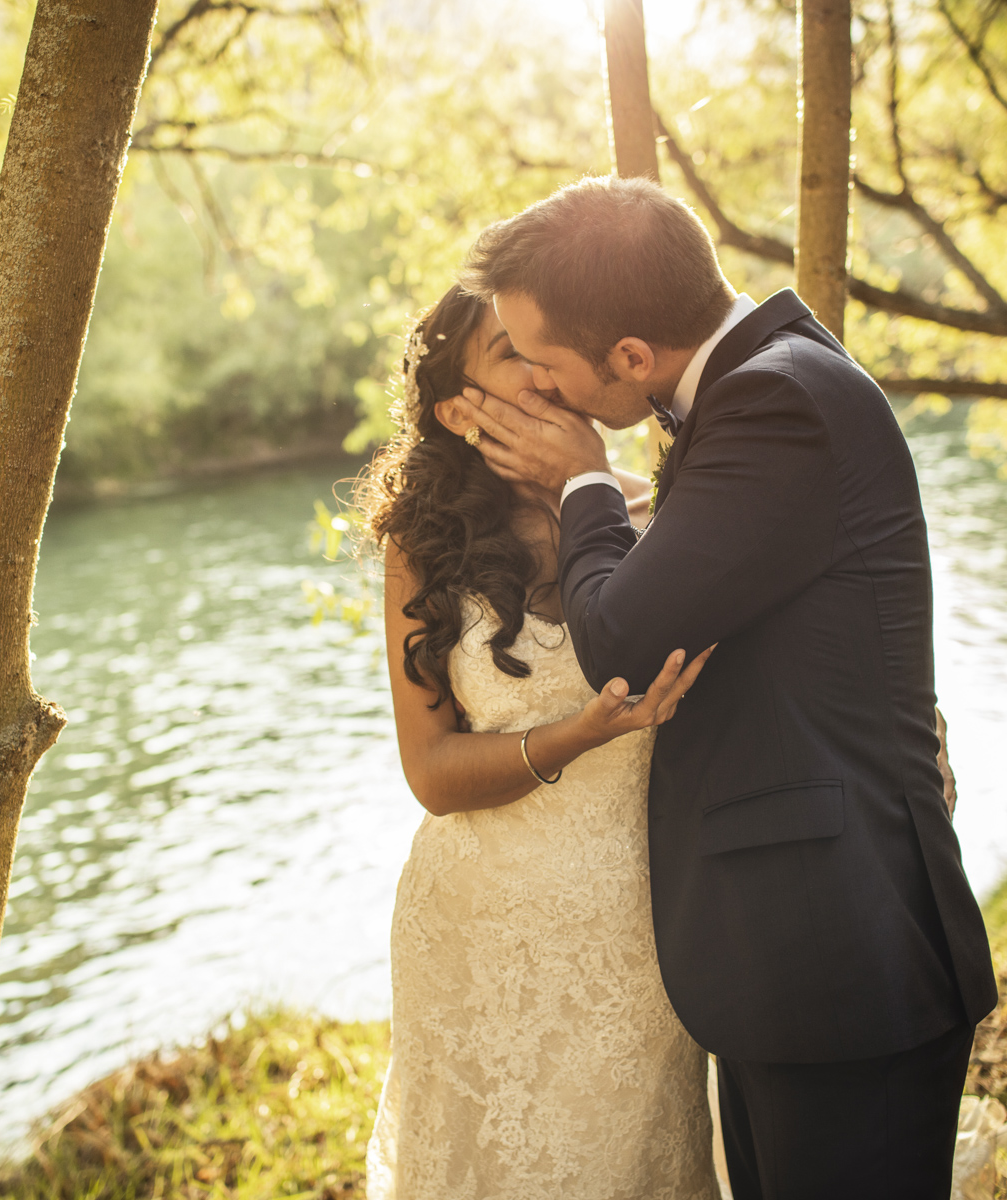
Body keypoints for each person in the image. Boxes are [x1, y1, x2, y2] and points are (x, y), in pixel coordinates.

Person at [455, 175, 998, 1199]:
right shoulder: (761, 384)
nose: (542, 388)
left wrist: (581, 479)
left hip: (842, 965)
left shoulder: (775, 401)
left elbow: (623, 642)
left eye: (546, 363)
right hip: (795, 961)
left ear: (631, 357)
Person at [357, 283, 724, 1199]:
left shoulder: (658, 510)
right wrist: (576, 734)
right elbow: (431, 771)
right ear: (457, 409)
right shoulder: (423, 547)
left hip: (645, 923)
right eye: (508, 351)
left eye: (542, 342)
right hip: (479, 930)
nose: (543, 366)